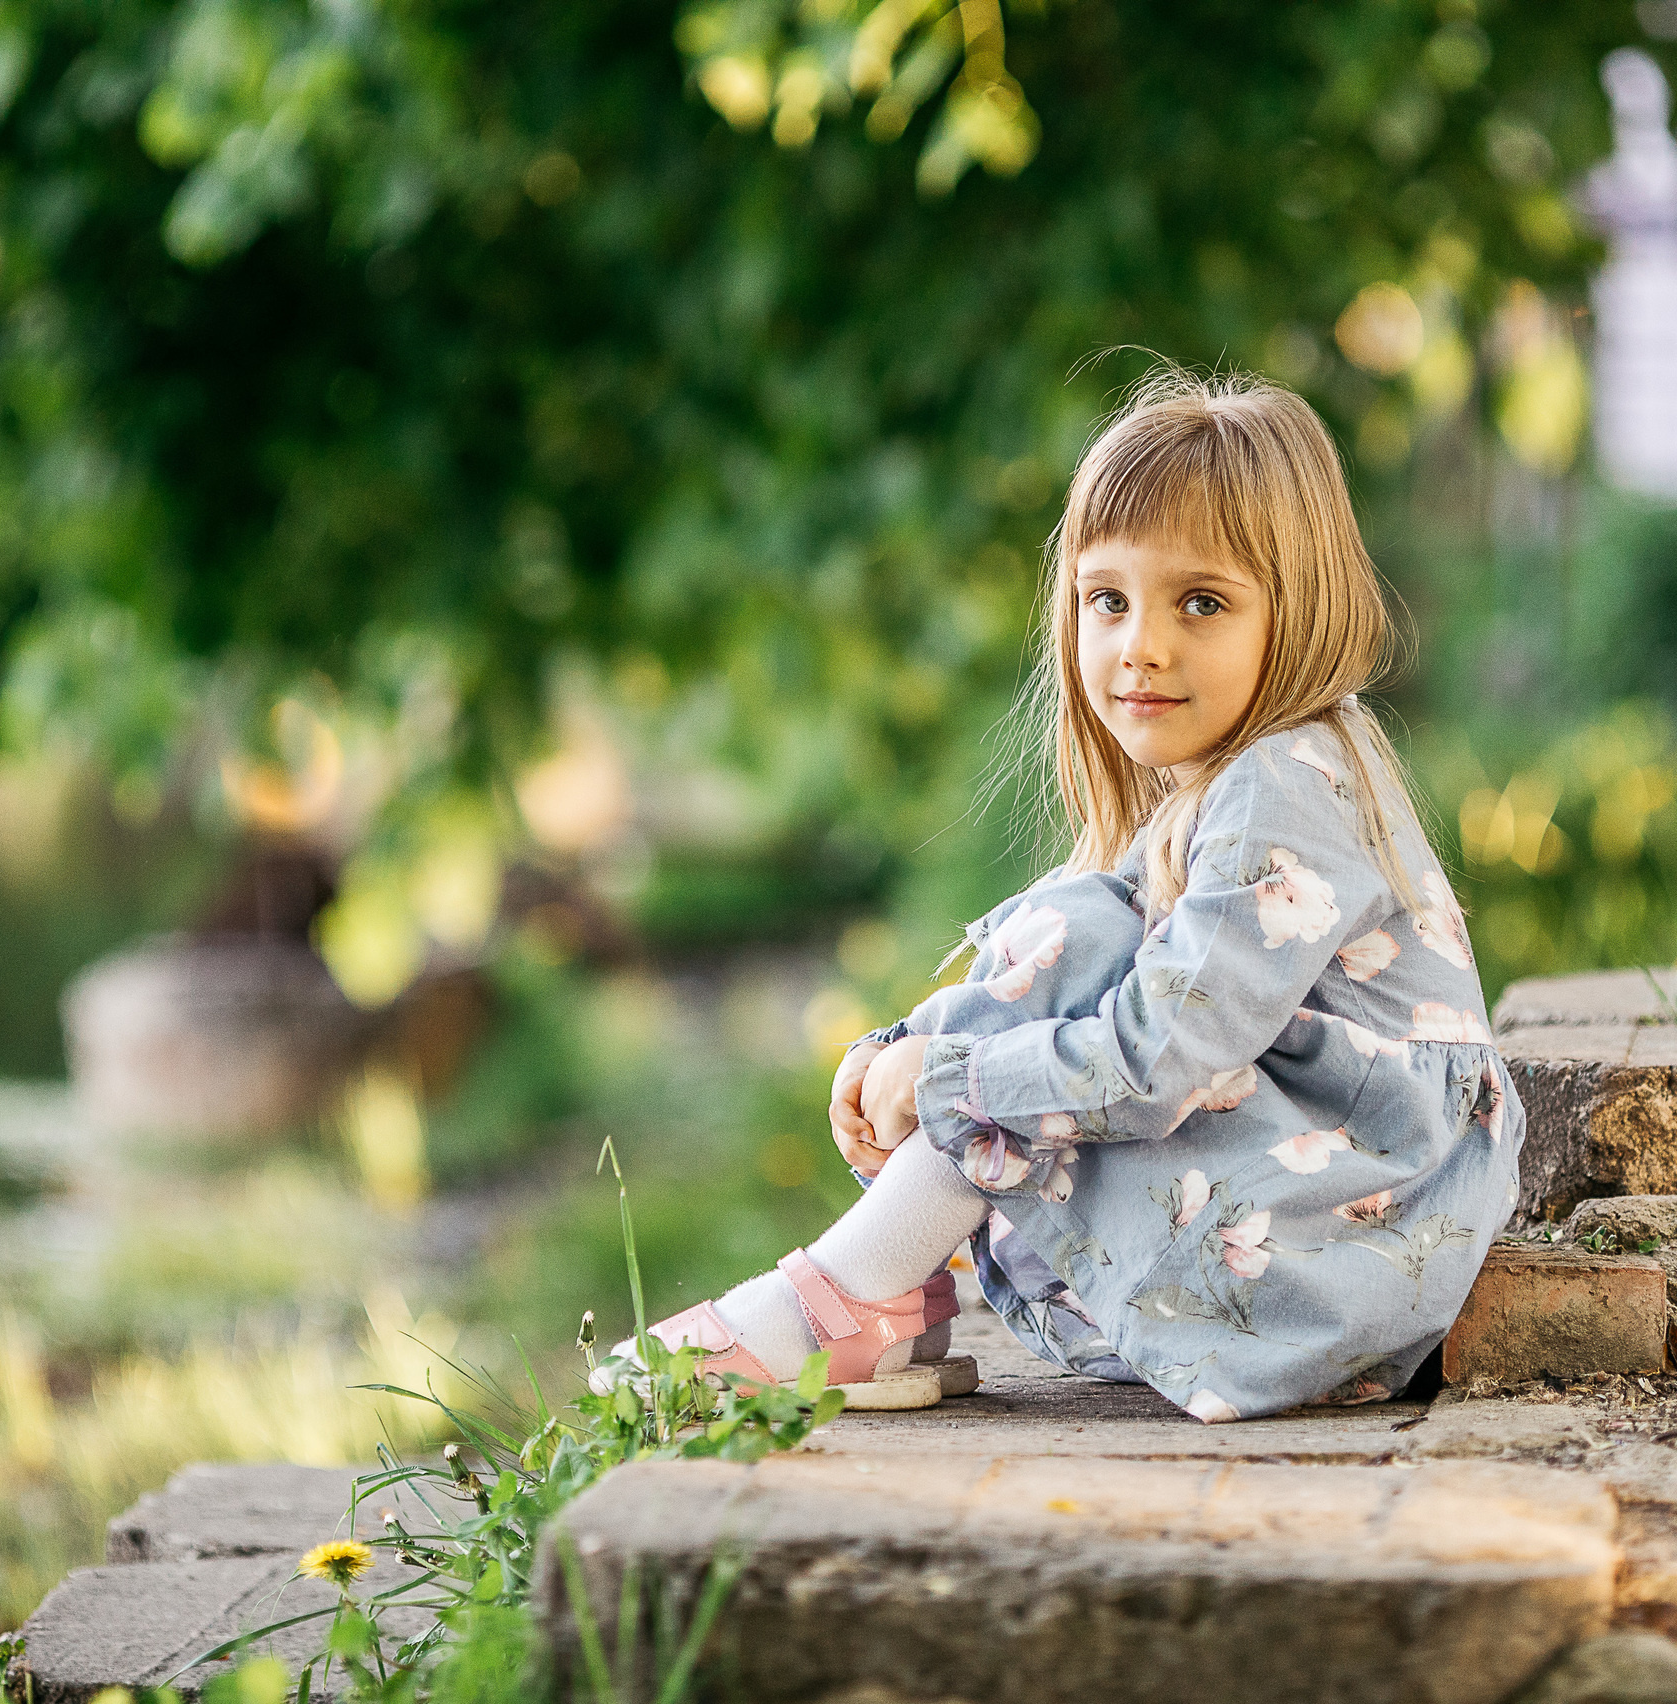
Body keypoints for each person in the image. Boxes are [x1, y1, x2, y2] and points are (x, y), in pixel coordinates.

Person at [599, 369, 1523, 1422]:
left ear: (1297, 610)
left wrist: (942, 1080)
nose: (1142, 644)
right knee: (1084, 929)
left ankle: (844, 1301)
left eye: (1202, 602)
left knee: (1078, 948)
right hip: (1326, 1239)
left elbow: (1157, 1057)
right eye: (1107, 600)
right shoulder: (1255, 777)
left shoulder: (1285, 786)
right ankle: (877, 1290)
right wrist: (910, 1052)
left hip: (1337, 1253)